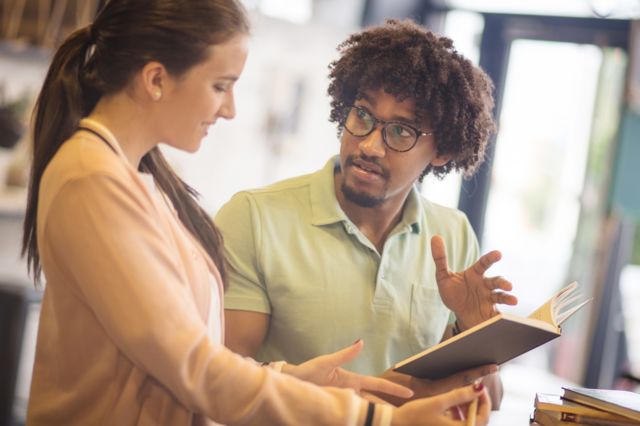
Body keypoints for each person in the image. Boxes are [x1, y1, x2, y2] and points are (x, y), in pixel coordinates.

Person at [21, 1, 492, 425]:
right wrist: (375, 419)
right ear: (157, 79)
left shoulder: (138, 180)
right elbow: (194, 367)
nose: (229, 109)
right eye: (220, 85)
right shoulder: (93, 179)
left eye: (401, 132)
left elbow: (193, 355)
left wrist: (294, 377)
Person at [217, 19, 517, 407]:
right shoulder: (255, 218)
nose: (371, 145)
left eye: (401, 131)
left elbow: (486, 401)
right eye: (362, 115)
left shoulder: (453, 234)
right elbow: (222, 381)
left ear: (441, 151)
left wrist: (476, 331)